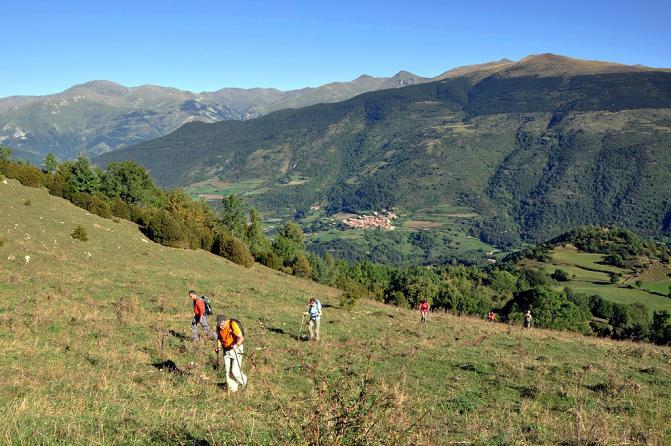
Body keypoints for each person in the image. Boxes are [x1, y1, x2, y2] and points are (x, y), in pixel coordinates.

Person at [215, 314, 248, 393]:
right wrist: (218, 347)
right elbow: (219, 338)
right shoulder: (218, 327)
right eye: (219, 325)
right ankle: (234, 388)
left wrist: (237, 345)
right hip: (226, 350)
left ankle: (244, 382)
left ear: (225, 321)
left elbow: (241, 337)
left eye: (222, 325)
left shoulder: (232, 324)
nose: (221, 327)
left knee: (235, 371)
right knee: (227, 372)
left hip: (236, 349)